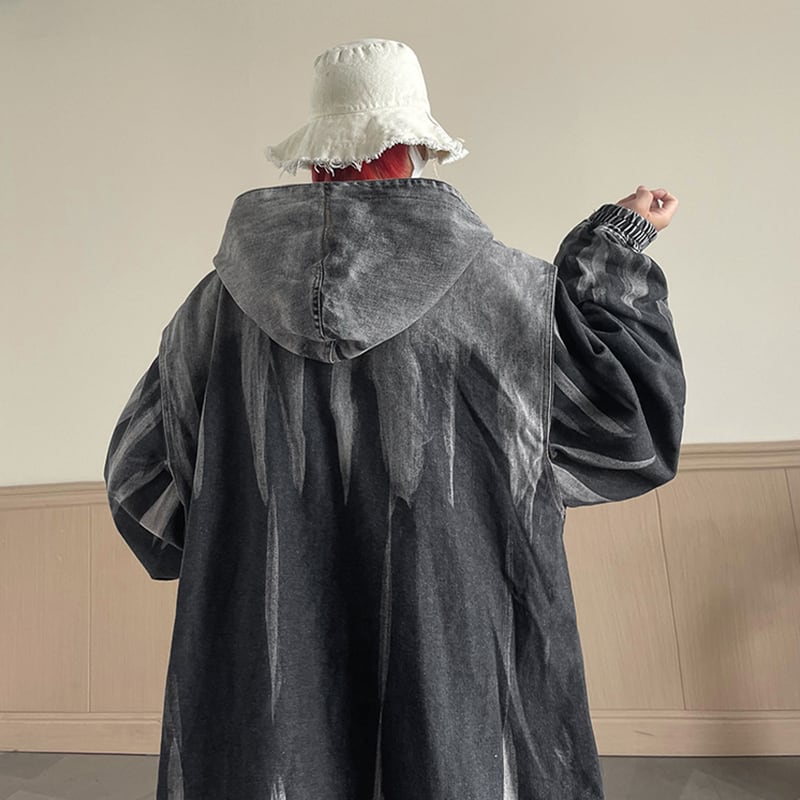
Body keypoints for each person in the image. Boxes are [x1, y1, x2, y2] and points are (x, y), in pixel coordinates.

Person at [104, 38, 684, 800]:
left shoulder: (212, 313)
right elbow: (631, 429)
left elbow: (141, 492)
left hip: (267, 710)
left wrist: (249, 536)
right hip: (457, 699)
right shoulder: (505, 295)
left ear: (317, 157)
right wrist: (614, 247)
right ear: (415, 148)